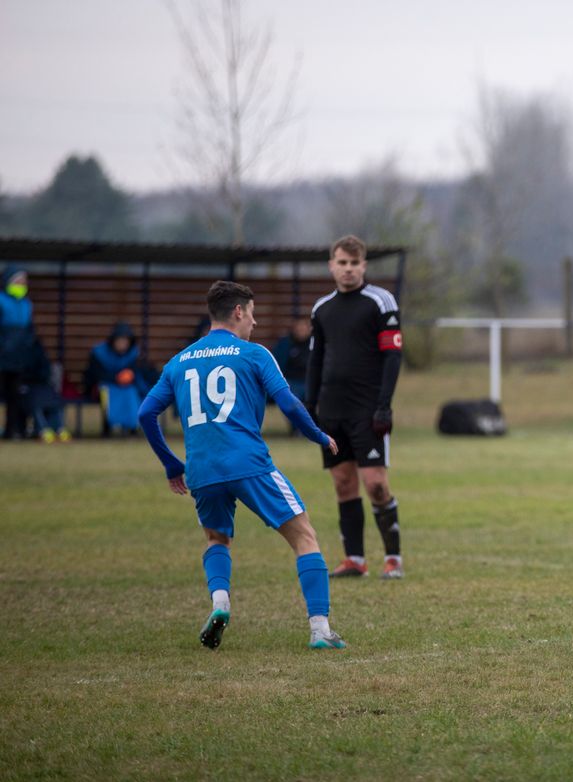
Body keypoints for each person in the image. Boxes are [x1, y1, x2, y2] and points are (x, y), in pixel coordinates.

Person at [137, 280, 347, 651]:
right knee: (304, 536)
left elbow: (146, 413)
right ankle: (320, 630)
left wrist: (172, 465)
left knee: (217, 539)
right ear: (238, 312)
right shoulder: (255, 354)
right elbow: (290, 403)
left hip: (201, 470)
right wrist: (317, 435)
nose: (254, 322)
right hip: (249, 464)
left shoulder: (179, 361)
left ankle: (220, 604)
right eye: (252, 314)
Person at [307, 235, 405, 579]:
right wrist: (309, 406)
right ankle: (355, 560)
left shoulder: (380, 302)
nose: (348, 269)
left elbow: (393, 357)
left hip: (368, 409)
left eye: (354, 263)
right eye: (342, 263)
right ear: (332, 265)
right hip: (332, 410)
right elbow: (316, 360)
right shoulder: (321, 309)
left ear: (363, 266)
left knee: (376, 483)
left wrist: (384, 405)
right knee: (343, 483)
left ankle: (393, 559)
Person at [84, 322, 154, 436]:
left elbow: (136, 373)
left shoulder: (132, 354)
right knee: (107, 391)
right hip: (103, 386)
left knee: (131, 392)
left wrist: (128, 376)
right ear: (113, 341)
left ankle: (131, 426)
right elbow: (95, 375)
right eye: (120, 341)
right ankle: (108, 426)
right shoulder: (99, 353)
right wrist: (116, 378)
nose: (122, 344)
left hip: (126, 387)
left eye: (125, 341)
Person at [1, 265, 35, 439]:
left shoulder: (27, 304)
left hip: (18, 360)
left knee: (14, 398)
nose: (22, 283)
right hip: (2, 358)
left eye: (24, 280)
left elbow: (30, 332)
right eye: (18, 280)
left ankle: (11, 431)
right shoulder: (1, 300)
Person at [22, 337, 69, 442]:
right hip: (27, 387)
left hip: (41, 385)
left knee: (54, 400)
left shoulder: (38, 351)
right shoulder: (22, 351)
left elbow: (45, 373)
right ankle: (43, 429)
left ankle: (59, 428)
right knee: (36, 401)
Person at [272, 317, 312, 404]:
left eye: (303, 328)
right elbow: (277, 363)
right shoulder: (285, 344)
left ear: (309, 330)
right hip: (291, 381)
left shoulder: (314, 345)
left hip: (309, 381)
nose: (301, 330)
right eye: (299, 328)